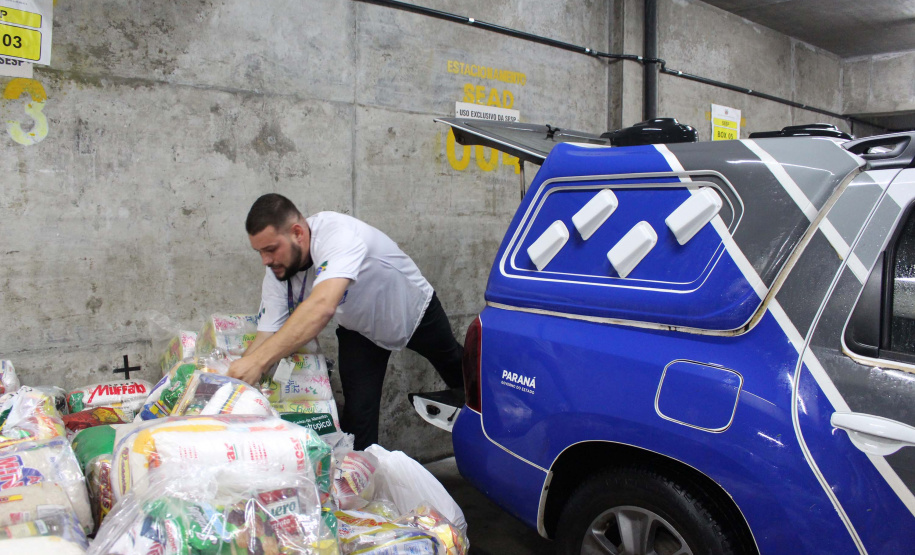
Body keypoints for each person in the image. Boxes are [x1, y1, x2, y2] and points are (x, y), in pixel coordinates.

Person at [228, 193, 464, 450]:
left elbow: (322, 306)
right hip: (360, 330)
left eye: (271, 249)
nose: (265, 260)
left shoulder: (336, 234)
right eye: (260, 252)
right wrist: (234, 384)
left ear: (297, 232)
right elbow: (267, 334)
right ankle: (363, 479)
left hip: (411, 310)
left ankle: (496, 422)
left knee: (457, 367)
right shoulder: (278, 271)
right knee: (358, 413)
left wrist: (258, 362)